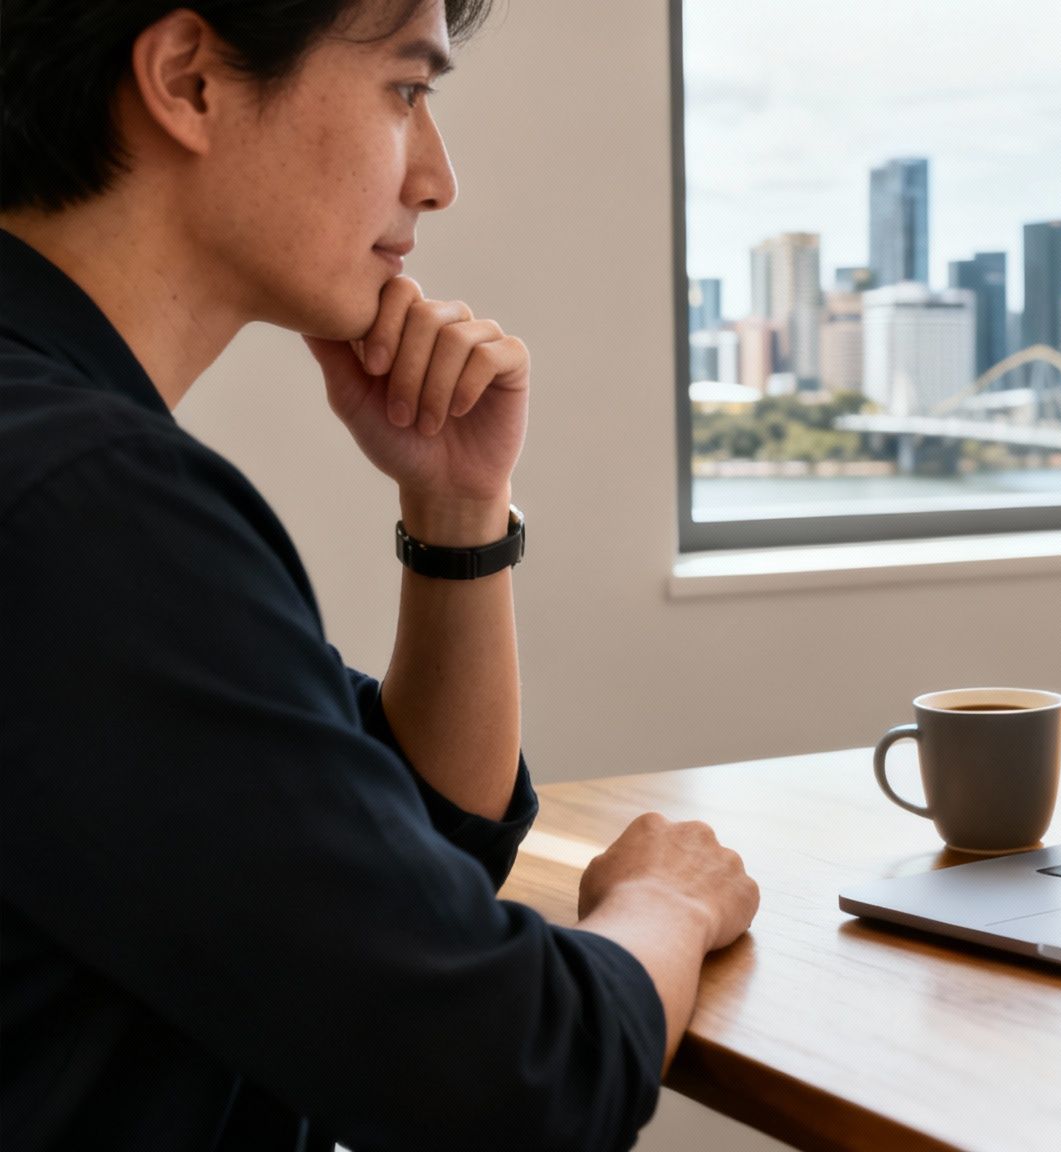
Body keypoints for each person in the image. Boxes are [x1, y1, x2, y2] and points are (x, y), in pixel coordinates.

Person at [0, 1, 760, 1148]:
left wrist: (457, 509)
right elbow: (514, 1079)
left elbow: (400, 859)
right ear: (189, 80)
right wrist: (666, 903)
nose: (437, 178)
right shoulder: (89, 506)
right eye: (407, 89)